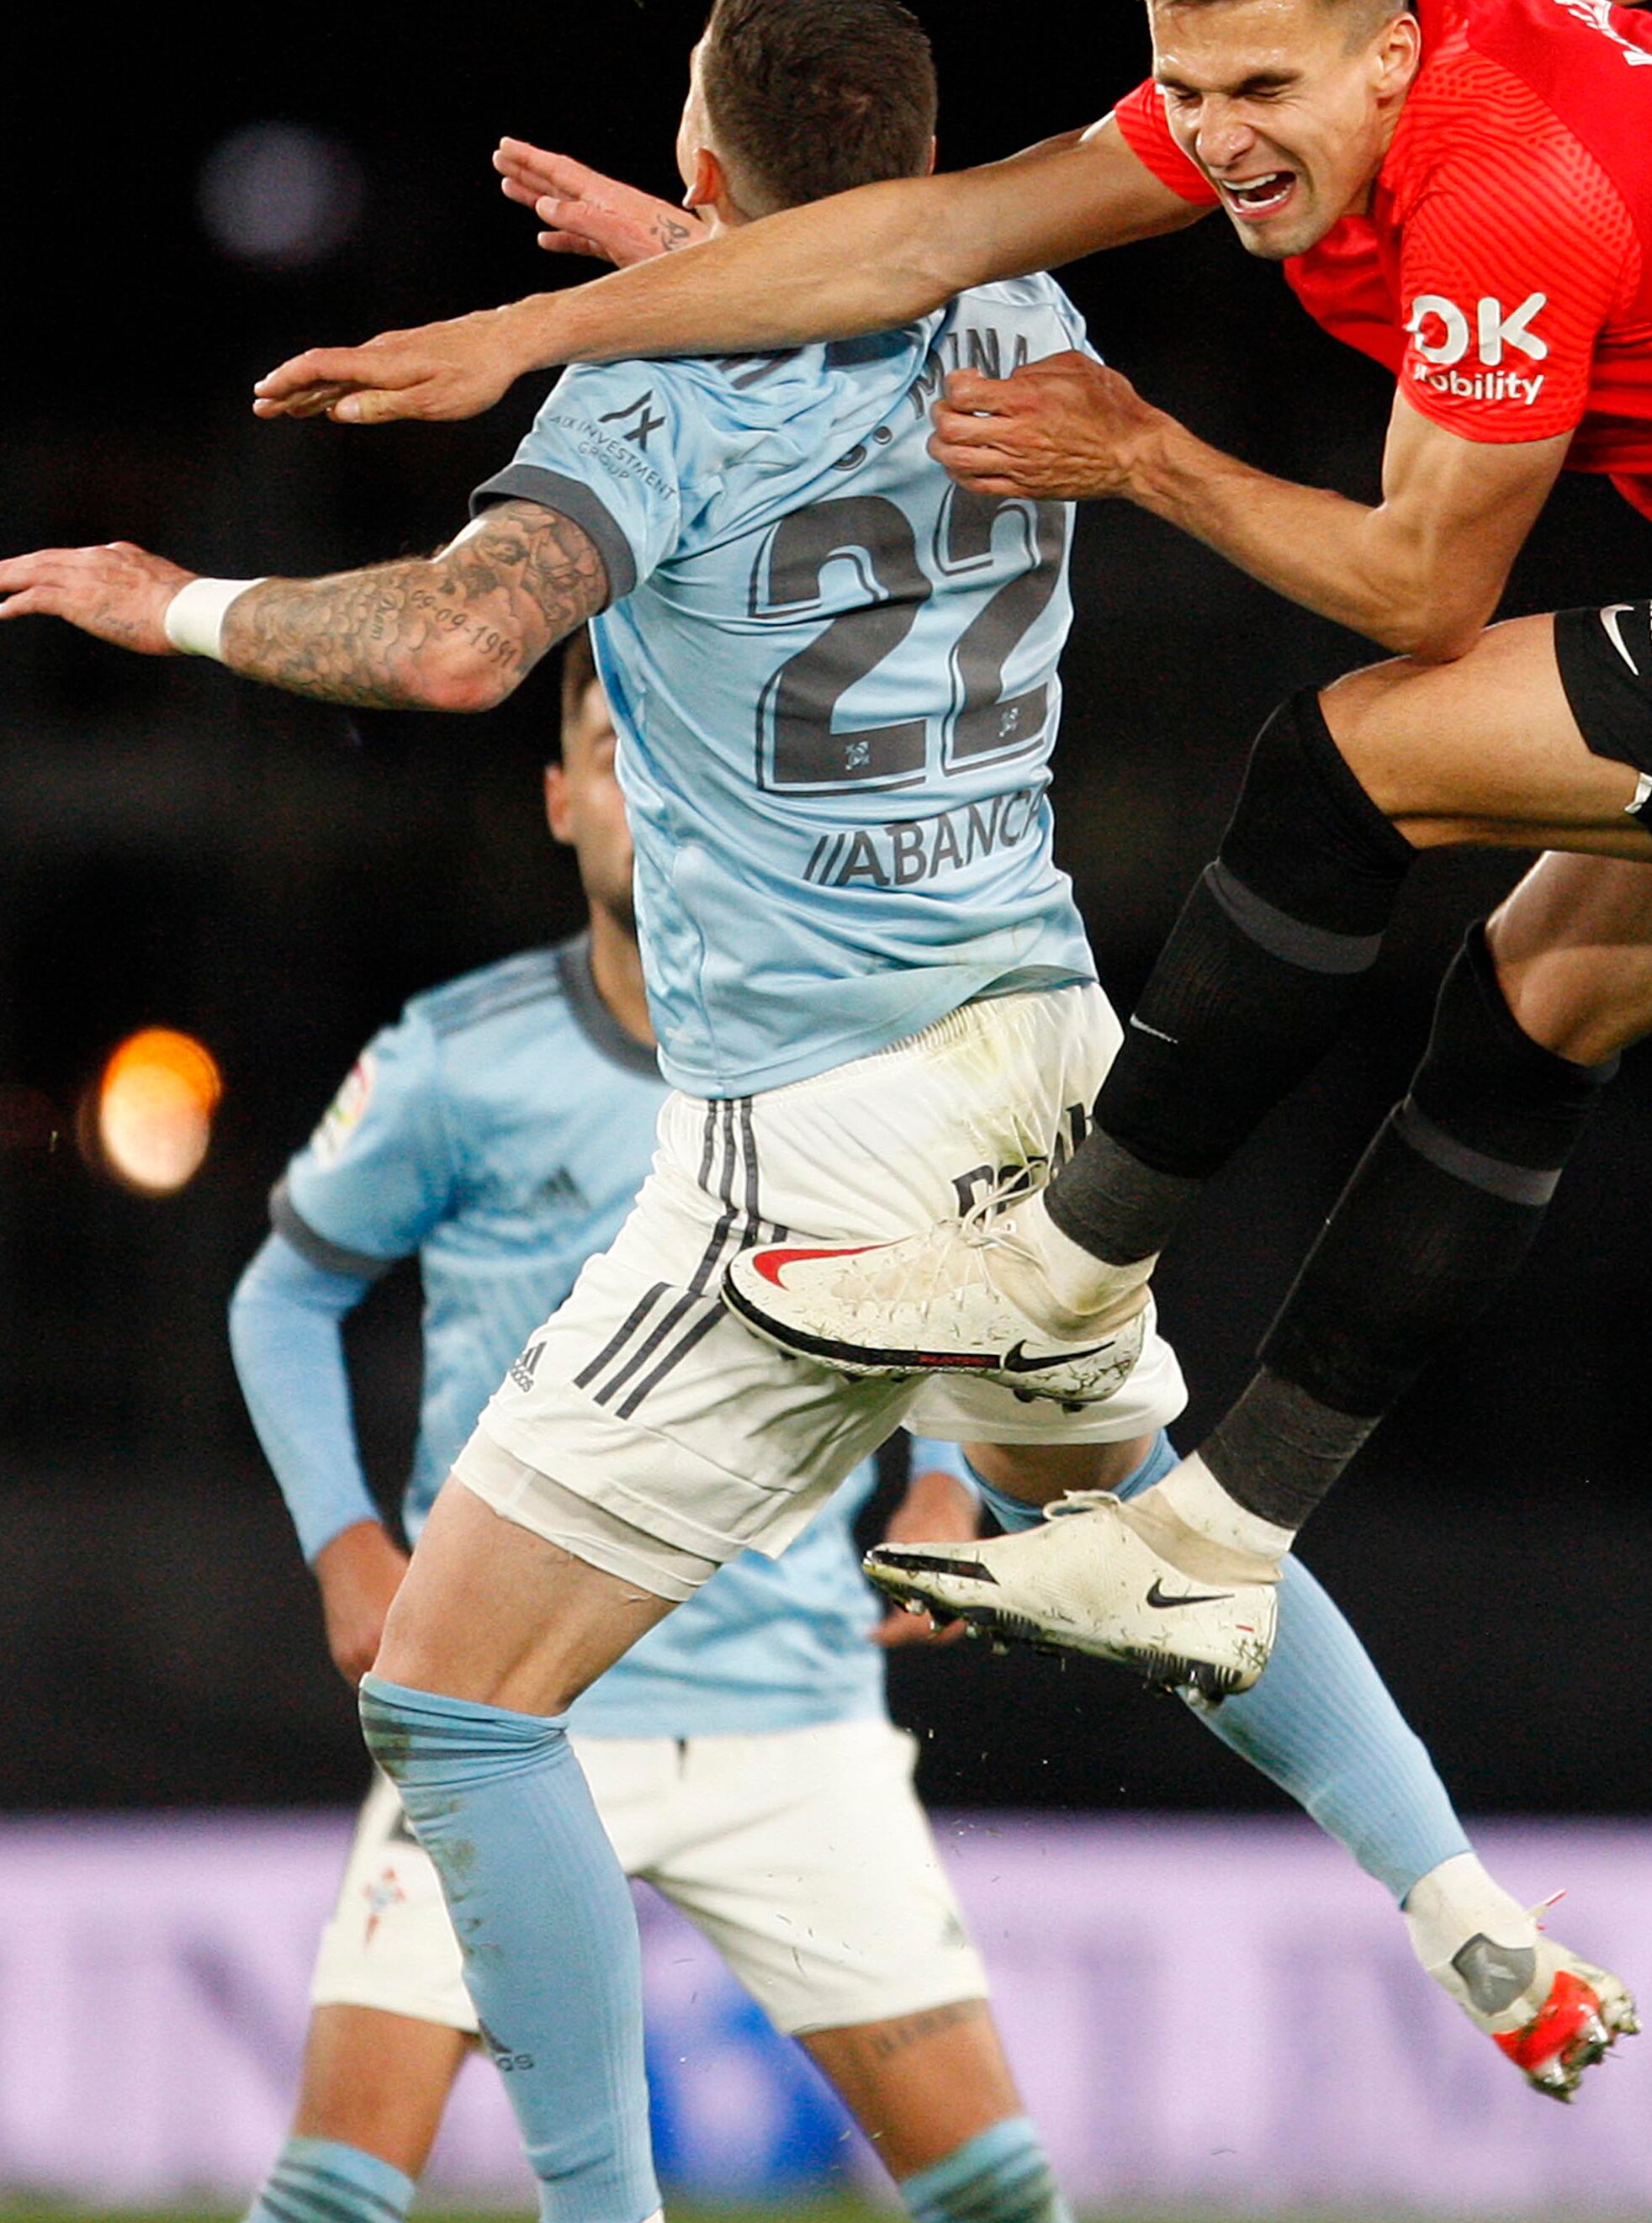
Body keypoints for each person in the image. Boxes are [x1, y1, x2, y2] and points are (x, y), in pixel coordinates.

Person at [0, 0, 1636, 2223]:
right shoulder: (1026, 330)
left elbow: (459, 639)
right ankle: (1471, 1919)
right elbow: (856, 309)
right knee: (1166, 1537)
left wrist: (178, 601)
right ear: (929, 179)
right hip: (1061, 1081)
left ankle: (598, 2215)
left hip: (820, 1138)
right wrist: (692, 255)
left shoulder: (640, 418)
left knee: (456, 1705)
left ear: (701, 156)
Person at [248, 0, 1652, 1706]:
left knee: (1342, 764)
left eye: (1263, 87)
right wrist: (520, 333)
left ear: (1391, 51)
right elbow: (919, 236)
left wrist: (1141, 451)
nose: (1221, 137)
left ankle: (1053, 1267)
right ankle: (1211, 1550)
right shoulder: (1325, 80)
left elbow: (1418, 587)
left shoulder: (1505, 190)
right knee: (1531, 997)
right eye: (1184, 85)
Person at [227, 632, 1069, 2223]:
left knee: (1003, 2199)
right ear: (560, 800)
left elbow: (961, 1273)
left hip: (788, 1711)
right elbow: (280, 1295)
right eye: (611, 746)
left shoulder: (846, 1052)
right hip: (503, 1707)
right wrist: (345, 1542)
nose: (642, 780)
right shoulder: (458, 1059)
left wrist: (949, 1484)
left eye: (669, 744)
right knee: (332, 2199)